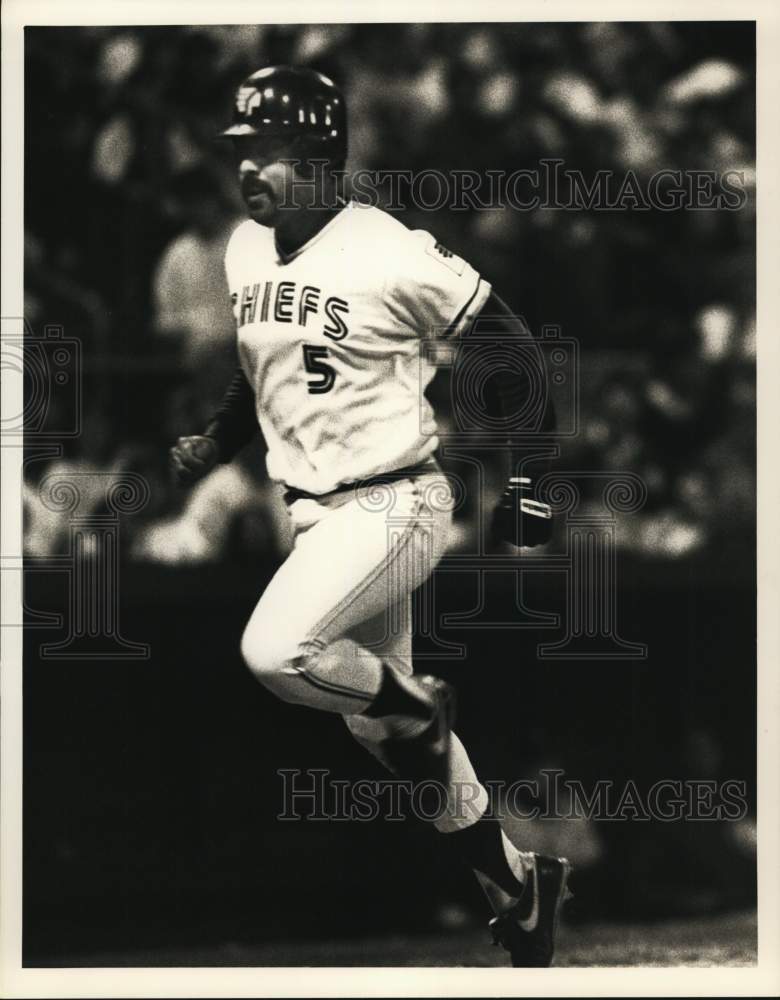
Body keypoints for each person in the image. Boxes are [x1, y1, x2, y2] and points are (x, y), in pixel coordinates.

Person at [169, 65, 570, 967]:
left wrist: (534, 481)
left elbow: (514, 349)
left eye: (270, 151)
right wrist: (219, 439)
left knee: (277, 651)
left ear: (322, 157)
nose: (249, 168)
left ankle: (414, 702)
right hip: (317, 515)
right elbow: (260, 362)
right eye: (243, 151)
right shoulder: (244, 248)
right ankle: (517, 884)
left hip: (396, 502)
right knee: (388, 734)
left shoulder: (388, 249)